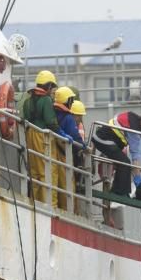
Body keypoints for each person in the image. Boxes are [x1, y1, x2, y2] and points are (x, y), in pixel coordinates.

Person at [91, 111, 141, 197]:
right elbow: (135, 157)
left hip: (103, 137)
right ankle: (121, 192)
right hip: (104, 139)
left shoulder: (131, 115)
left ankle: (117, 190)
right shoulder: (134, 130)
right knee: (125, 162)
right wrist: (137, 178)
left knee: (122, 161)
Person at [21, 70, 59, 203]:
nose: (52, 90)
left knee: (34, 173)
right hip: (42, 137)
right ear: (48, 86)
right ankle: (49, 204)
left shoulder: (28, 101)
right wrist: (61, 133)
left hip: (29, 135)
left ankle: (34, 202)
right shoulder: (46, 100)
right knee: (46, 173)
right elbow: (50, 121)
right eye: (52, 87)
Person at [51, 86, 87, 210]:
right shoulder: (68, 118)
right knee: (67, 185)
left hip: (52, 151)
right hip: (64, 155)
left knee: (54, 182)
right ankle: (69, 210)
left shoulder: (52, 113)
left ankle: (56, 205)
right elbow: (75, 136)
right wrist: (84, 147)